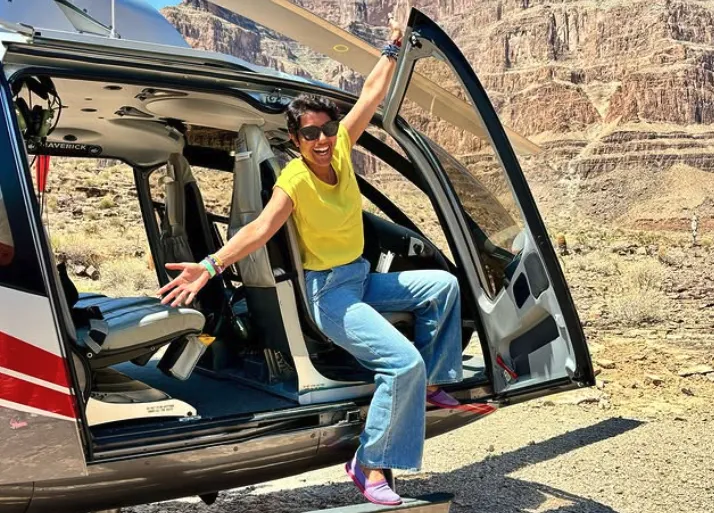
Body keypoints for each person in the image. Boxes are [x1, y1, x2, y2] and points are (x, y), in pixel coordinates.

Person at [158, 16, 464, 506]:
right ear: (296, 140)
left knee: (443, 287)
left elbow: (371, 95)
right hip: (331, 296)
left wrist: (392, 47)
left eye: (326, 129)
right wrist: (210, 266)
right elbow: (258, 229)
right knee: (402, 364)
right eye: (310, 134)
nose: (322, 140)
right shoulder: (294, 181)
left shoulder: (341, 149)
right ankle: (368, 463)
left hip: (361, 279)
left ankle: (433, 383)